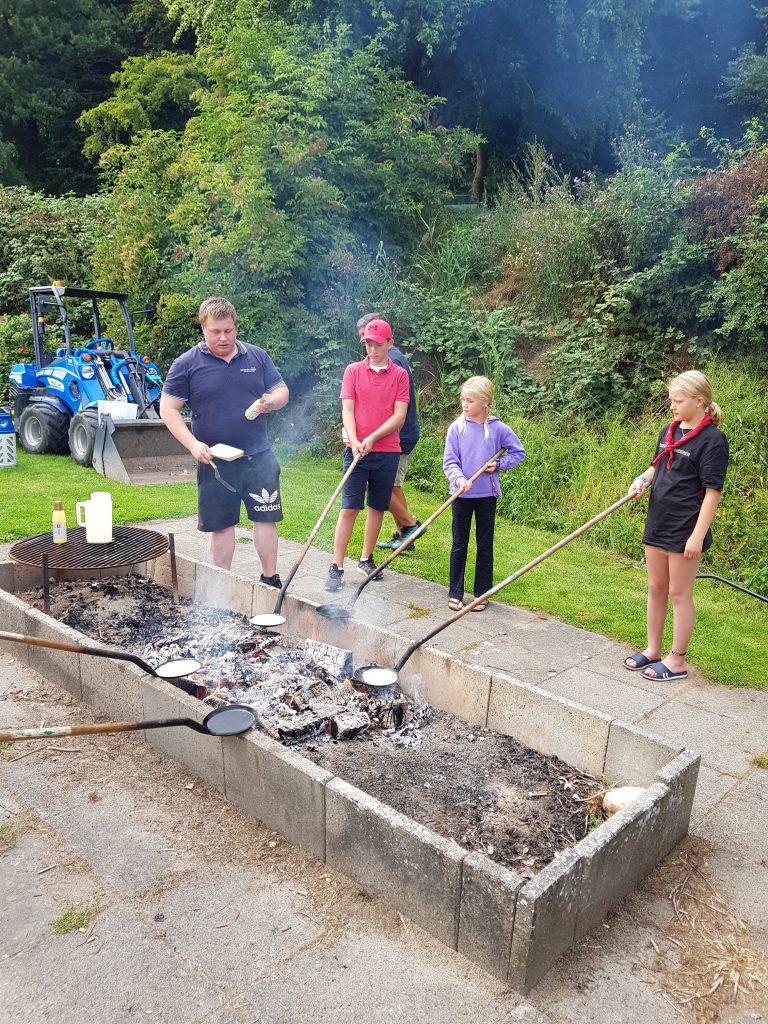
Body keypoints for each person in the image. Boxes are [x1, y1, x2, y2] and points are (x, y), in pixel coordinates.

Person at [159, 296, 289, 583]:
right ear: (203, 330)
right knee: (222, 526)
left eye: (228, 330)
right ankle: (222, 583)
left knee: (266, 519)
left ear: (235, 327)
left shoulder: (256, 356)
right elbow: (168, 409)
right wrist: (193, 444)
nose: (223, 337)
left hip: (259, 455)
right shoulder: (186, 364)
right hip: (216, 460)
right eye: (215, 331)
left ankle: (270, 578)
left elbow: (282, 390)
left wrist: (272, 402)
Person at [623, 371, 729, 682]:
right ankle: (653, 649)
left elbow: (712, 493)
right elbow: (657, 465)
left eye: (678, 400)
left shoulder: (712, 441)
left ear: (700, 401)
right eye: (671, 399)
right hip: (658, 520)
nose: (672, 406)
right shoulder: (668, 432)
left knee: (679, 593)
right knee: (656, 587)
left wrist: (697, 536)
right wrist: (642, 480)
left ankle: (677, 660)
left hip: (685, 529)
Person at [325, 318, 410, 591]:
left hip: (387, 451)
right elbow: (347, 410)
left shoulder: (399, 375)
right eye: (368, 344)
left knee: (377, 506)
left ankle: (366, 559)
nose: (372, 349)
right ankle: (336, 566)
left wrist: (373, 438)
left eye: (378, 344)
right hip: (356, 451)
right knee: (349, 507)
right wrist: (355, 439)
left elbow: (399, 416)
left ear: (389, 343)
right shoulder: (353, 371)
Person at [442, 376, 525, 611]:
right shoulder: (456, 428)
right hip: (461, 495)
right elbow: (449, 462)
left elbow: (518, 452)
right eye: (462, 400)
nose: (464, 405)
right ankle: (455, 592)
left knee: (484, 545)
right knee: (459, 543)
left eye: (470, 400)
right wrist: (459, 479)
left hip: (486, 496)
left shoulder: (498, 428)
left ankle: (481, 594)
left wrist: (498, 465)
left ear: (485, 402)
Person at [353, 314, 423, 553]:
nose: (368, 344)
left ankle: (411, 525)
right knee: (393, 485)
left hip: (398, 436)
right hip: (395, 435)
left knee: (381, 485)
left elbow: (391, 408)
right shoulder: (386, 357)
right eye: (364, 339)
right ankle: (405, 535)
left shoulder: (392, 360)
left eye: (371, 338)